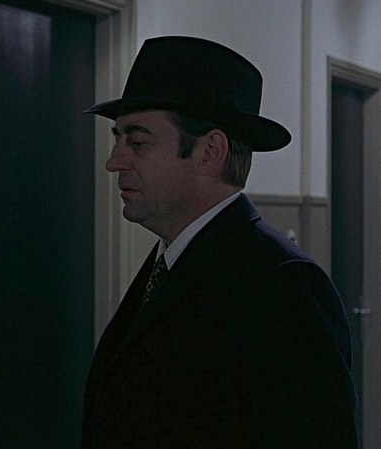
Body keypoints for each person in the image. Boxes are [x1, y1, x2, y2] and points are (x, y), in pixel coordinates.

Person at [81, 36, 358, 448]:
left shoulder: (284, 287)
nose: (113, 161)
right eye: (117, 139)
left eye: (137, 142)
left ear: (210, 150)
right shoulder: (168, 262)